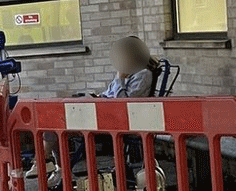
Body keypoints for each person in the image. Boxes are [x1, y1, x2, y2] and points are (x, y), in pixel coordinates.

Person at [27, 36, 157, 183]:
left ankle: (46, 164)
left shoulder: (143, 74)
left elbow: (123, 102)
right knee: (53, 123)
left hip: (114, 118)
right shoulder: (127, 70)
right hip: (103, 108)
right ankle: (52, 165)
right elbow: (109, 93)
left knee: (57, 123)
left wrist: (120, 78)